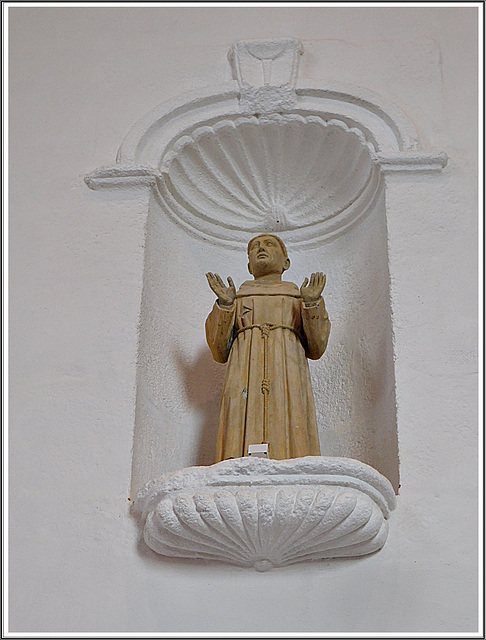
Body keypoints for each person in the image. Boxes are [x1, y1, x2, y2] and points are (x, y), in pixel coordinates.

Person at [205, 234, 330, 461]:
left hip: (288, 372)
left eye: (270, 244)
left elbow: (317, 346)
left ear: (286, 263)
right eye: (254, 248)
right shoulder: (236, 297)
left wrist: (311, 304)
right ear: (249, 265)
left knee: (290, 415)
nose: (261, 248)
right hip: (244, 372)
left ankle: (294, 460)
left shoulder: (298, 296)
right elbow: (219, 350)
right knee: (240, 414)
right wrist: (224, 305)